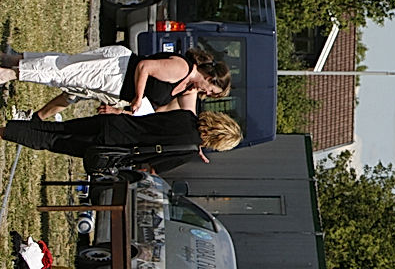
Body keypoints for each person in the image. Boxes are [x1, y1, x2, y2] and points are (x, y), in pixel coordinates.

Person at [0, 47, 231, 121]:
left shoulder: (188, 88)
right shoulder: (181, 69)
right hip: (115, 71)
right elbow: (145, 68)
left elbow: (187, 117)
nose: (206, 94)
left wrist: (197, 140)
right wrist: (139, 97)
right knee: (64, 72)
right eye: (211, 90)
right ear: (209, 78)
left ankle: (11, 61)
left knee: (67, 76)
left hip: (113, 85)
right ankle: (9, 73)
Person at [0, 109, 243, 166]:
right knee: (52, 143)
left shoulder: (186, 116)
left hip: (116, 122)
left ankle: (7, 126)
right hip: (113, 147)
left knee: (58, 129)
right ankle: (6, 132)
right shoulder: (188, 151)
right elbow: (152, 165)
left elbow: (154, 118)